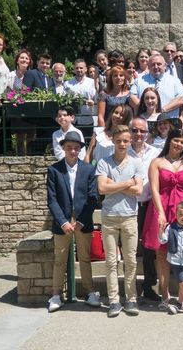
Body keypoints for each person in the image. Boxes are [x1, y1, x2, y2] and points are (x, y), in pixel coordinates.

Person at [143, 128, 183, 311]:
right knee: (162, 254)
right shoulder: (157, 162)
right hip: (162, 207)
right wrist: (160, 212)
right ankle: (164, 294)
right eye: (176, 140)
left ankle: (182, 296)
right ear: (169, 140)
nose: (179, 144)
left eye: (182, 142)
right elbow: (154, 189)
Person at [46, 131, 100, 312]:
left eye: (76, 148)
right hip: (63, 221)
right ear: (63, 148)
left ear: (80, 150)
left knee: (85, 258)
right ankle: (56, 295)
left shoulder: (88, 169)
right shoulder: (54, 170)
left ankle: (90, 292)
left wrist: (82, 221)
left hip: (82, 220)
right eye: (69, 147)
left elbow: (93, 198)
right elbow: (52, 199)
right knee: (59, 259)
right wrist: (62, 221)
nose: (73, 151)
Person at [96, 125, 145, 317]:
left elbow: (139, 191)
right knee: (111, 261)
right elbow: (101, 189)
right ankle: (114, 301)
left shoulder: (136, 163)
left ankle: (131, 299)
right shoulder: (103, 162)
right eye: (119, 141)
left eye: (125, 141)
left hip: (130, 216)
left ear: (130, 141)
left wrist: (112, 185)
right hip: (109, 216)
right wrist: (127, 183)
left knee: (130, 260)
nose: (122, 144)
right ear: (113, 142)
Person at [128, 117, 161, 301]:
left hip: (149, 205)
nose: (139, 134)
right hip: (129, 204)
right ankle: (130, 288)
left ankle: (149, 286)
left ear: (147, 133)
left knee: (149, 248)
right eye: (135, 130)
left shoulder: (155, 152)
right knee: (130, 247)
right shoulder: (123, 152)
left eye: (142, 131)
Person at [130, 54, 183, 119]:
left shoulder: (174, 81)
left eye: (159, 64)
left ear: (165, 66)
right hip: (145, 123)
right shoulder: (139, 81)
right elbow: (132, 98)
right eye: (153, 64)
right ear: (148, 66)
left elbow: (181, 99)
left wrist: (161, 111)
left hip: (169, 123)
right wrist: (147, 110)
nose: (156, 67)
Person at [64, 59, 97, 128]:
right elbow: (64, 101)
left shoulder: (92, 83)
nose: (79, 70)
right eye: (77, 68)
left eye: (81, 68)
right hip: (72, 121)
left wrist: (93, 102)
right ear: (74, 70)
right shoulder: (67, 84)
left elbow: (96, 99)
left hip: (87, 119)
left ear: (85, 69)